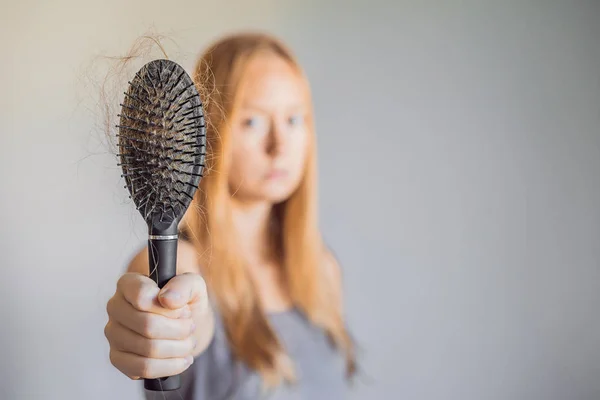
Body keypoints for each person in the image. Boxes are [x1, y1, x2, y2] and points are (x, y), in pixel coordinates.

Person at [104, 31, 357, 399]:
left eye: (294, 119)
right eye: (253, 121)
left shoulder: (320, 270)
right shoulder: (179, 268)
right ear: (207, 131)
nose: (279, 145)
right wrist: (161, 325)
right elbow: (188, 318)